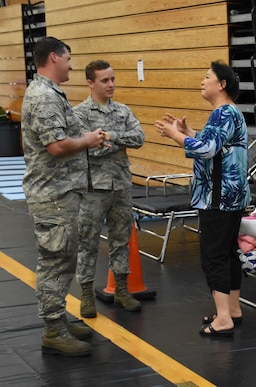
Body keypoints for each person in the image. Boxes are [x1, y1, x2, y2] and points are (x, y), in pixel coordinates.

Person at [21, 37, 109, 356]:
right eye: (69, 58)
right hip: (53, 195)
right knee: (55, 261)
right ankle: (53, 330)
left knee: (64, 257)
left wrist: (87, 139)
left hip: (61, 192)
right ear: (55, 58)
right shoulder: (44, 96)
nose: (72, 64)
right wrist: (86, 140)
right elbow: (56, 146)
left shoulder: (50, 92)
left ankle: (59, 319)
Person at [154, 60, 250, 338]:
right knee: (228, 252)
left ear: (222, 84)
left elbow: (207, 150)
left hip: (217, 198)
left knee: (214, 257)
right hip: (231, 196)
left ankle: (223, 319)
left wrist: (175, 136)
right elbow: (217, 145)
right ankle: (232, 309)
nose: (202, 81)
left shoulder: (223, 113)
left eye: (207, 77)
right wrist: (188, 134)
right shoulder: (229, 113)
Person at [74, 60, 145, 318]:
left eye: (112, 79)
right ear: (90, 82)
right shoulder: (79, 114)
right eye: (105, 80)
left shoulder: (123, 111)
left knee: (121, 239)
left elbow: (138, 138)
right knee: (88, 242)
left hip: (121, 185)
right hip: (93, 189)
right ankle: (85, 294)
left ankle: (122, 291)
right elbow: (86, 145)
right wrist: (101, 142)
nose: (111, 84)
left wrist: (111, 137)